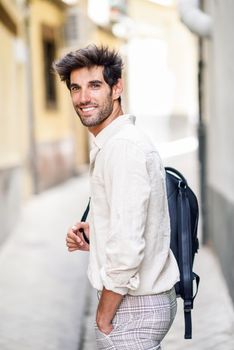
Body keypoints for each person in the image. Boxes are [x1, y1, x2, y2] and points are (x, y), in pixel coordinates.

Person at [53, 45, 180, 350]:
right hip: (141, 300)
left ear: (117, 87)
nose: (83, 98)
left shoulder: (123, 149)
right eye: (76, 88)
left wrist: (103, 315)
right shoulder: (115, 144)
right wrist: (96, 236)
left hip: (133, 306)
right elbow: (131, 225)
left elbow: (127, 248)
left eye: (95, 86)